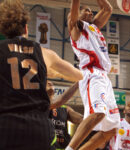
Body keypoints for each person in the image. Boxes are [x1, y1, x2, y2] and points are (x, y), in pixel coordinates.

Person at [0, 0, 83, 150]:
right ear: (26, 28)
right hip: (38, 128)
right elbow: (78, 75)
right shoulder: (44, 54)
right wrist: (54, 72)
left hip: (7, 125)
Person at [66, 0, 120, 149]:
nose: (90, 13)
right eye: (86, 11)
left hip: (104, 76)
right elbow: (74, 11)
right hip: (92, 74)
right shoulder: (75, 28)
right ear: (77, 14)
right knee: (98, 113)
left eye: (91, 11)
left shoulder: (93, 27)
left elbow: (108, 8)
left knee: (111, 130)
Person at [47, 81, 83, 150]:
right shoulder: (37, 107)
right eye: (46, 82)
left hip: (63, 147)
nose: (50, 83)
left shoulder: (65, 108)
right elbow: (62, 99)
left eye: (52, 83)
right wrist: (77, 83)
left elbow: (81, 120)